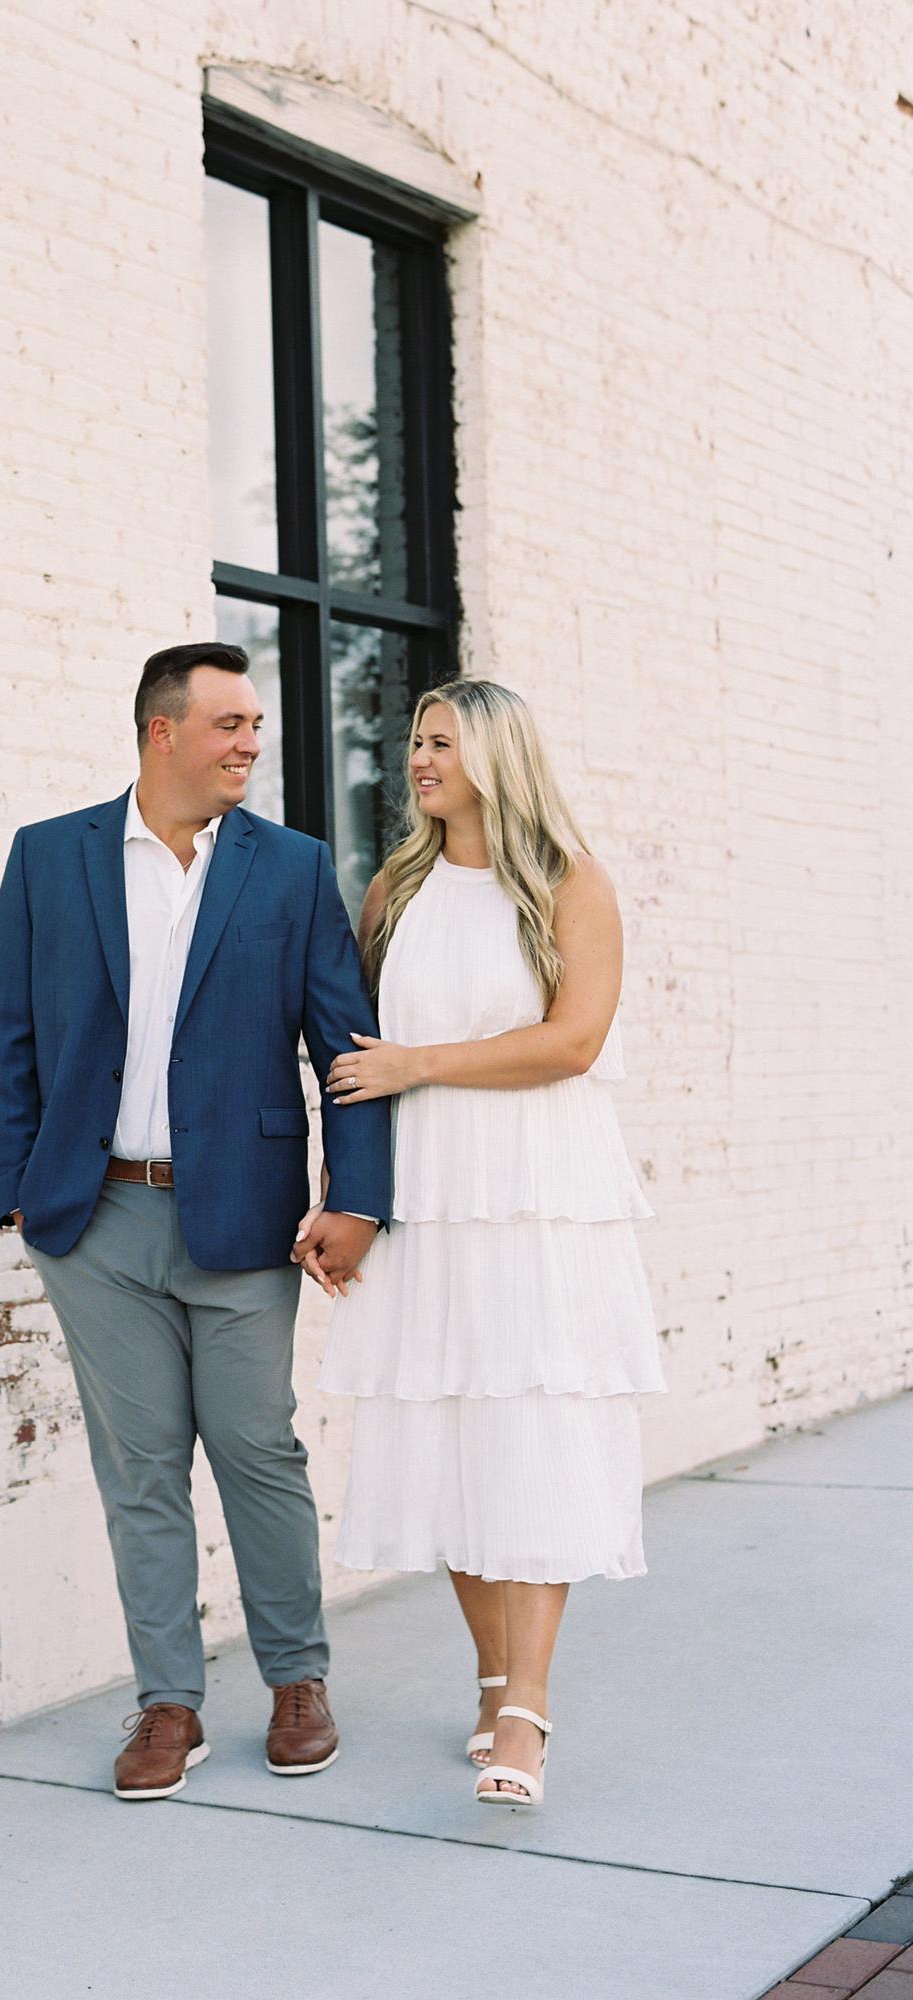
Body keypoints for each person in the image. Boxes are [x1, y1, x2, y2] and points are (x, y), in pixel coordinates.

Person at [0, 641, 390, 1800]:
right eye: (229, 724)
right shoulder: (50, 856)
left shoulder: (291, 867)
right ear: (162, 731)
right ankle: (167, 1700)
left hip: (245, 1215)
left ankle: (296, 1679)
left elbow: (344, 1046)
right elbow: (8, 1030)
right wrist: (20, 1188)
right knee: (140, 1466)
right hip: (94, 1216)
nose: (250, 742)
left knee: (257, 1447)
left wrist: (356, 1196)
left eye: (254, 723)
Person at [314, 677, 664, 1809]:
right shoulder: (395, 887)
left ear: (498, 757)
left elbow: (573, 1040)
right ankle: (491, 1675)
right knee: (449, 1436)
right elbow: (351, 1060)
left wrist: (419, 1063)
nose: (420, 759)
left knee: (531, 1433)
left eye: (444, 743)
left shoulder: (569, 881)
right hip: (427, 1197)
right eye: (416, 741)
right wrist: (343, 1197)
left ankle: (528, 1710)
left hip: (534, 1195)